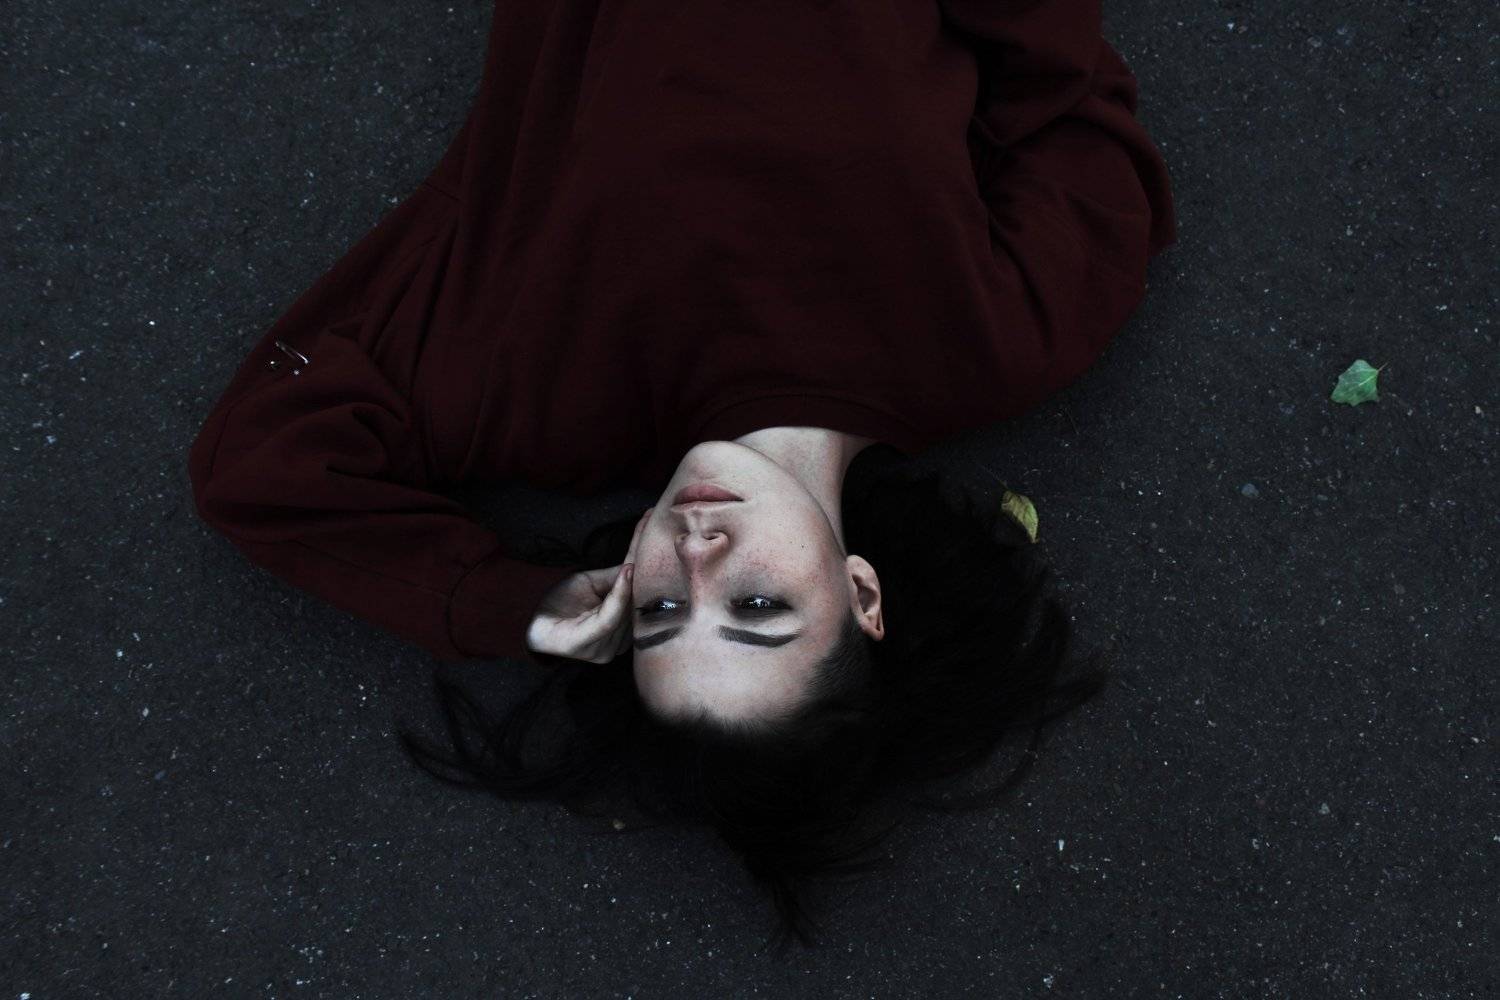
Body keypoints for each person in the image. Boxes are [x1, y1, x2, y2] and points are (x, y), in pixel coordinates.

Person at [187, 0, 1177, 951]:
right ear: (863, 593)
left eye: (661, 612)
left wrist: (510, 604)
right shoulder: (1001, 342)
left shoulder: (541, 392)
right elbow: (1059, 85)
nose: (697, 556)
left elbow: (259, 462)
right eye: (757, 605)